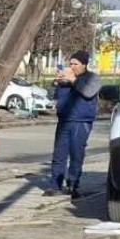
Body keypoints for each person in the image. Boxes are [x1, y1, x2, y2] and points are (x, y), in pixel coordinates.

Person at [47, 50, 102, 199]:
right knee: (59, 154)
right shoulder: (65, 79)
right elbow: (52, 96)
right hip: (64, 120)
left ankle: (73, 185)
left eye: (75, 64)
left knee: (76, 154)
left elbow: (88, 92)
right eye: (70, 64)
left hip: (81, 121)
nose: (72, 67)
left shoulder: (92, 78)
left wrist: (73, 80)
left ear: (84, 64)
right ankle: (55, 186)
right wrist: (55, 82)